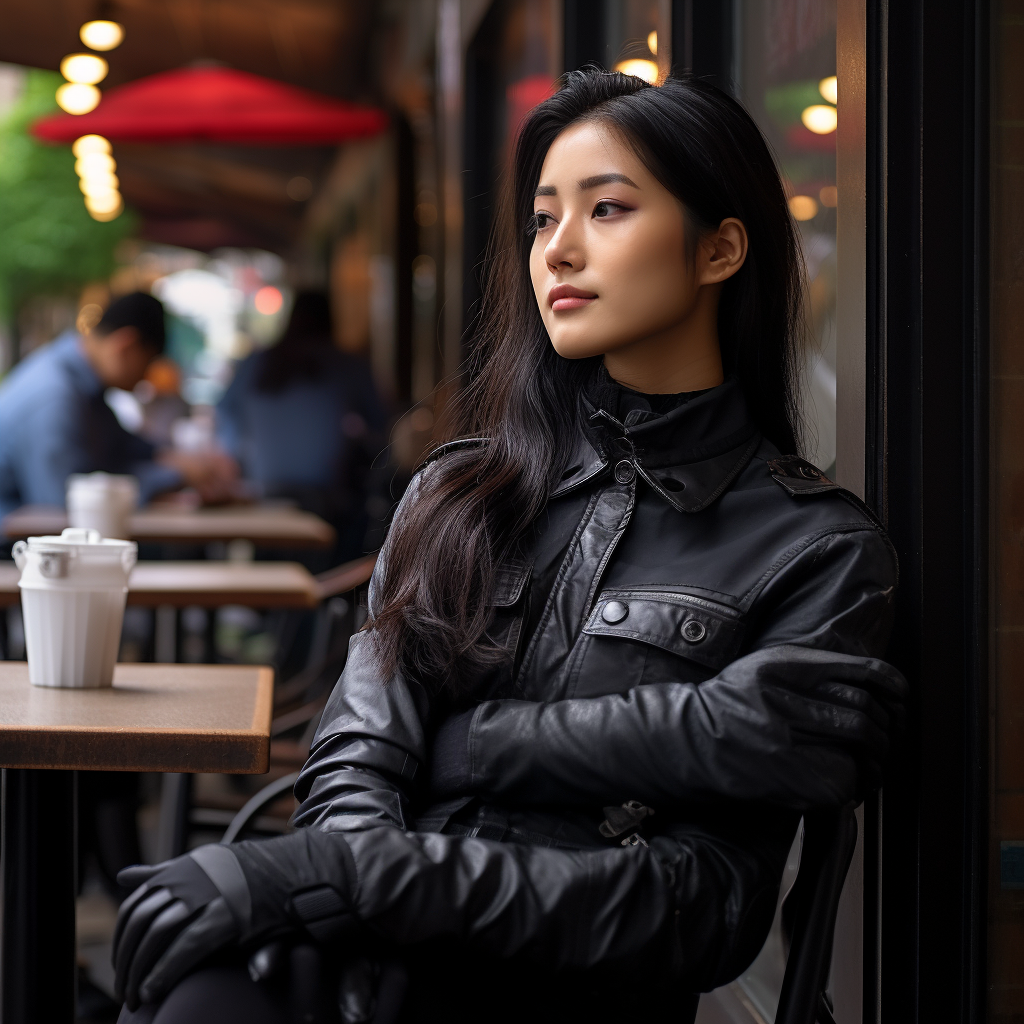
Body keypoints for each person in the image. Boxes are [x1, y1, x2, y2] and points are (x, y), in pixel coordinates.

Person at [112, 72, 907, 1024]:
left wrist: (462, 755)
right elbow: (355, 764)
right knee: (184, 978)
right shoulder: (460, 492)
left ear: (721, 248)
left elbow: (698, 911)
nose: (558, 251)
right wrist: (352, 887)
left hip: (563, 994)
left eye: (607, 209)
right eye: (541, 220)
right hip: (373, 958)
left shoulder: (816, 551)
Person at [0, 291, 237, 519]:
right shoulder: (54, 397)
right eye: (147, 365)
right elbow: (68, 502)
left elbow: (121, 445)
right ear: (126, 346)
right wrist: (175, 474)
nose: (145, 379)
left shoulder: (82, 384)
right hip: (12, 551)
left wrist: (176, 458)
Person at [216, 291, 387, 562]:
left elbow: (224, 412)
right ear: (332, 320)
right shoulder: (348, 365)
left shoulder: (258, 362)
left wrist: (237, 454)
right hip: (326, 501)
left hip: (263, 492)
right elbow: (381, 427)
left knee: (270, 571)